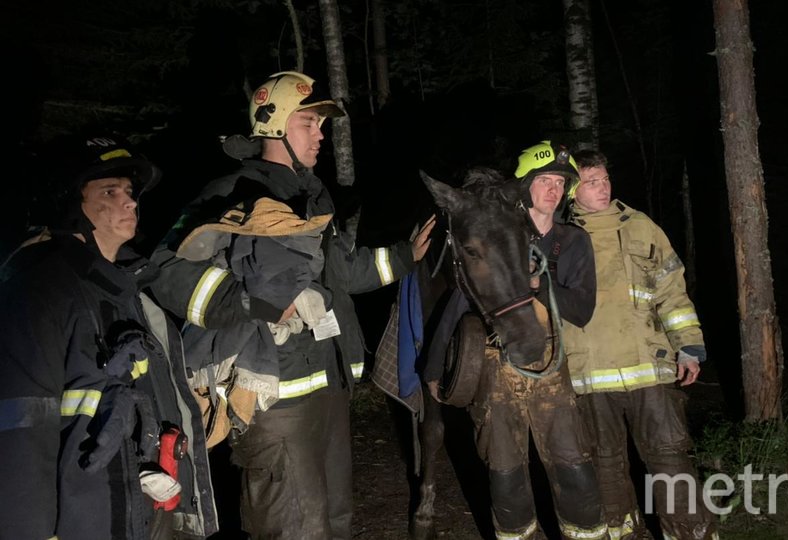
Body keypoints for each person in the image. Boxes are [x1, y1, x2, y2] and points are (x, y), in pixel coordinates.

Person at [149, 71, 434, 540]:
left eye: (321, 126)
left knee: (336, 519)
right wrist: (249, 301)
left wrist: (406, 256)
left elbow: (340, 272)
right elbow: (165, 268)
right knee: (292, 524)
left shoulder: (311, 193)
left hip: (329, 386)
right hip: (274, 397)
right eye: (309, 124)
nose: (320, 135)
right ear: (274, 125)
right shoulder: (233, 190)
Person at [0, 132, 218, 540]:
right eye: (110, 191)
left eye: (130, 191)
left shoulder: (129, 286)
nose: (130, 201)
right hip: (83, 521)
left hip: (139, 508)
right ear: (70, 204)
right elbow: (21, 437)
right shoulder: (39, 292)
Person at [444, 141, 606, 539]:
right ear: (524, 186)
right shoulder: (495, 232)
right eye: (544, 180)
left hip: (551, 367)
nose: (553, 190)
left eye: (560, 183)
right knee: (505, 474)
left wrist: (537, 283)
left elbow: (582, 311)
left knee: (573, 468)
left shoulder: (571, 241)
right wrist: (435, 366)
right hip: (496, 370)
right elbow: (460, 297)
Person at [566, 149, 717, 540]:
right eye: (591, 182)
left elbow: (672, 291)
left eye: (605, 178)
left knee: (670, 460)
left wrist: (689, 346)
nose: (603, 187)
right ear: (571, 191)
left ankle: (691, 534)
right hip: (588, 374)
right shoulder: (557, 237)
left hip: (649, 367)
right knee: (604, 464)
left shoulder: (642, 226)